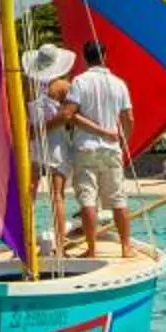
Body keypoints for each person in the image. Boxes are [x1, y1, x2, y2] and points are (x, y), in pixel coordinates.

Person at [62, 39, 136, 258]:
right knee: (118, 199)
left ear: (85, 58)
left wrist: (97, 130)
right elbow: (129, 118)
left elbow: (69, 114)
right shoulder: (119, 83)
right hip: (111, 148)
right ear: (105, 56)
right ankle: (125, 247)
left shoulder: (80, 81)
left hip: (86, 147)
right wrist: (122, 141)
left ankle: (92, 249)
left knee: (87, 199)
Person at [22, 43, 77, 251]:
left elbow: (23, 115)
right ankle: (60, 243)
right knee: (57, 196)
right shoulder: (62, 86)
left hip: (34, 143)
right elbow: (68, 115)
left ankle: (26, 240)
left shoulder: (28, 85)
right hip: (56, 144)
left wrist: (34, 131)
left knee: (30, 194)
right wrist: (44, 129)